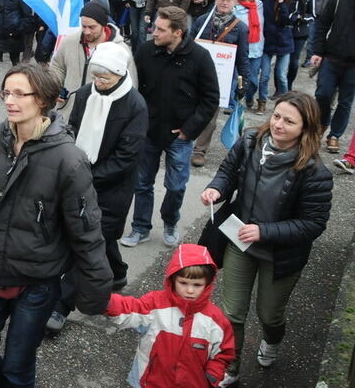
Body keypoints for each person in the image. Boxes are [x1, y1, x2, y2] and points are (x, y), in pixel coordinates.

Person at [0, 62, 112, 388]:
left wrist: (96, 289)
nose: (9, 101)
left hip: (36, 284)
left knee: (18, 367)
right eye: (6, 93)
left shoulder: (69, 160)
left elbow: (87, 232)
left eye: (19, 94)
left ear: (42, 99)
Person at [199, 92, 333, 386]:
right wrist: (216, 189)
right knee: (232, 312)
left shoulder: (315, 172)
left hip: (281, 255)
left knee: (269, 314)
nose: (278, 124)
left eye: (289, 121)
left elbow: (313, 224)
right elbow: (228, 172)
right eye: (276, 116)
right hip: (240, 242)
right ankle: (231, 366)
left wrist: (265, 231)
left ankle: (272, 340)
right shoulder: (250, 141)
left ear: (306, 127)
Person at [46, 42, 147, 334]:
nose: (99, 82)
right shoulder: (85, 93)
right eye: (96, 76)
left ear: (120, 74)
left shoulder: (135, 105)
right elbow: (72, 129)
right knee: (97, 238)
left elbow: (127, 157)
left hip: (112, 187)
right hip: (79, 177)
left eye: (105, 77)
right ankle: (117, 272)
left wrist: (88, 177)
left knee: (90, 241)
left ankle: (61, 305)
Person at [123, 6, 219, 248]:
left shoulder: (200, 57)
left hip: (180, 136)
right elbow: (132, 89)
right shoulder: (145, 51)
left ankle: (170, 222)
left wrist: (189, 129)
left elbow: (211, 99)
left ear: (178, 32)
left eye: (160, 29)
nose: (153, 32)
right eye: (154, 27)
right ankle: (140, 227)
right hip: (148, 131)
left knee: (176, 186)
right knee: (142, 183)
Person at [105, 244, 234, 388]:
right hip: (150, 381)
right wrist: (105, 301)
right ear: (172, 279)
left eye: (197, 285)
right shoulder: (155, 304)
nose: (190, 290)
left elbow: (223, 352)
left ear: (208, 284)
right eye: (183, 283)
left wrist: (213, 375)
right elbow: (131, 308)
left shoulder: (216, 320)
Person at [190, 0, 250, 167]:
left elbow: (243, 58)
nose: (224, 2)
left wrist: (244, 81)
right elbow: (189, 44)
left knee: (210, 116)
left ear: (235, 2)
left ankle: (199, 150)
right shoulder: (202, 21)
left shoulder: (240, 28)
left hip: (220, 80)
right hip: (195, 74)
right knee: (187, 108)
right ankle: (181, 141)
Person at [50, 1, 137, 118]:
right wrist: (54, 87)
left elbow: (130, 86)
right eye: (84, 26)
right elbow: (57, 66)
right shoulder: (69, 41)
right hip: (66, 114)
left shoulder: (121, 50)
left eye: (92, 27)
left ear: (103, 25)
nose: (86, 31)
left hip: (99, 118)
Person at [311, 0, 355, 154]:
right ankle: (321, 126)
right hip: (331, 58)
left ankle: (334, 135)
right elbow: (322, 26)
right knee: (323, 94)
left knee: (345, 102)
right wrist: (318, 51)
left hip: (353, 65)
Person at [257, 0, 293, 104]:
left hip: (283, 41)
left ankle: (286, 101)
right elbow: (256, 2)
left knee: (281, 75)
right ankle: (262, 101)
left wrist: (282, 3)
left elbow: (286, 20)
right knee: (264, 76)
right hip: (267, 40)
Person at [234, 0, 265, 112]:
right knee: (238, 79)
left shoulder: (259, 5)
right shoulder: (235, 9)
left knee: (253, 81)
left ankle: (249, 96)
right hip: (241, 50)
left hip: (256, 49)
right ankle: (235, 101)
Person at [286, 0, 314, 89]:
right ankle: (280, 88)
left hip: (300, 32)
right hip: (286, 30)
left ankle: (289, 84)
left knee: (294, 60)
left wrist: (300, 19)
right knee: (282, 61)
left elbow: (312, 15)